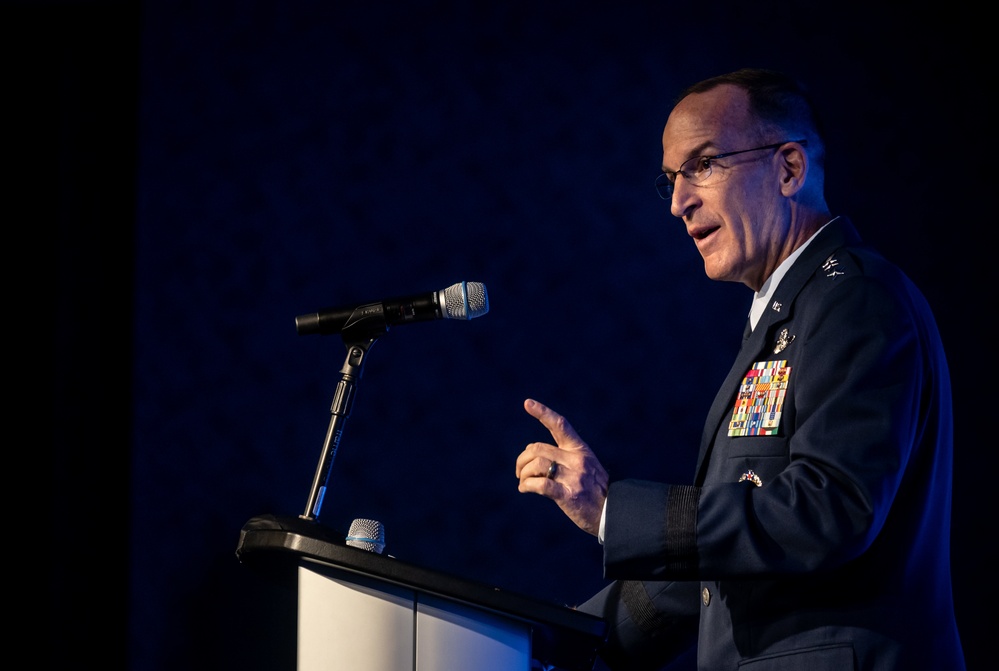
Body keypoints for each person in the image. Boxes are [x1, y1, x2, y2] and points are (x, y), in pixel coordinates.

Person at [515, 68, 965, 670]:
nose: (678, 202)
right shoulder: (785, 313)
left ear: (788, 169)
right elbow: (719, 567)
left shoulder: (855, 298)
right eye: (671, 179)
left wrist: (610, 511)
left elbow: (832, 510)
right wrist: (544, 643)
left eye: (702, 165)